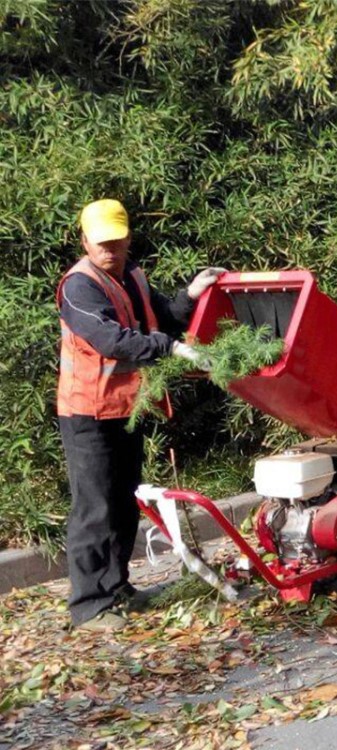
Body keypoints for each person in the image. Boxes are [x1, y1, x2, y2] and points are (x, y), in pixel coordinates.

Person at [57, 198, 225, 632]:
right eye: (101, 243)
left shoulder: (132, 276)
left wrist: (191, 294)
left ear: (128, 237)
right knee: (95, 507)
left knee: (122, 501)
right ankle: (89, 605)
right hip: (87, 412)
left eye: (116, 241)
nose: (109, 250)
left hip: (125, 409)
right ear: (85, 241)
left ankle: (118, 589)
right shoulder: (78, 287)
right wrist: (169, 348)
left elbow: (161, 318)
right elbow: (112, 339)